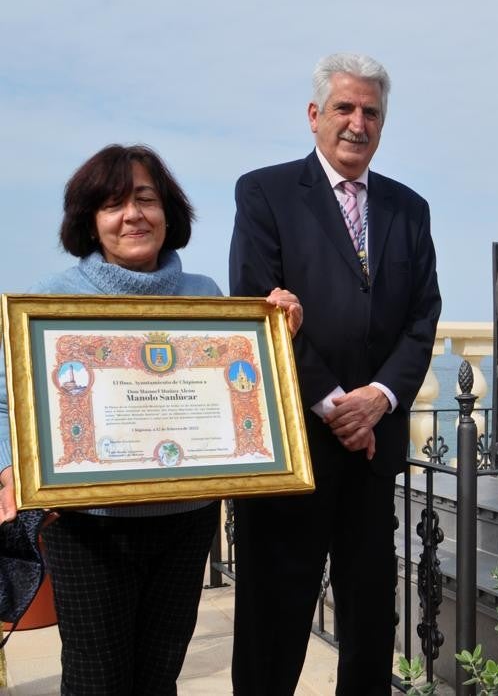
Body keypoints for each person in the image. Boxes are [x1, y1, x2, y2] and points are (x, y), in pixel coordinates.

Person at [0, 144, 301, 694]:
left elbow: (241, 387)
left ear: (169, 212)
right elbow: (7, 402)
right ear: (90, 221)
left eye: (145, 199)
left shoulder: (205, 296)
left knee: (160, 675)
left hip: (185, 522)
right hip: (88, 525)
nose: (132, 215)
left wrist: (277, 337)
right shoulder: (53, 298)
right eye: (113, 203)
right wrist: (8, 466)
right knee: (96, 680)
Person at [228, 52, 441, 695]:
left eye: (371, 111)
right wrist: (333, 404)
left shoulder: (410, 209)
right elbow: (257, 303)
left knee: (372, 620)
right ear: (315, 115)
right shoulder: (264, 192)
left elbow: (424, 314)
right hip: (295, 449)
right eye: (344, 108)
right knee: (275, 621)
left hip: (373, 453)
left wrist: (377, 398)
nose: (358, 122)